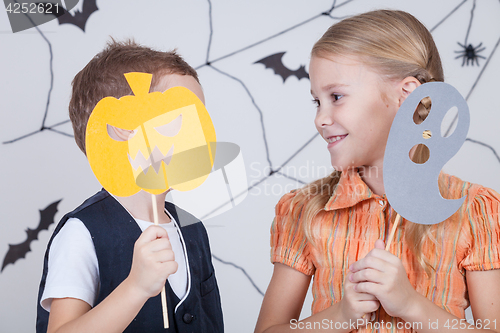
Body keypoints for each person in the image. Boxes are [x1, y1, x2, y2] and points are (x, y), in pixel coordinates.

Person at [255, 10, 500, 333]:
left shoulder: (474, 210)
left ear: (408, 95)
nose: (320, 118)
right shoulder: (304, 210)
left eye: (337, 96)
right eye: (317, 101)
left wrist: (411, 305)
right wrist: (340, 316)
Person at [36, 40, 224, 333]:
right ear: (122, 129)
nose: (201, 134)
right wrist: (136, 287)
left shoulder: (192, 230)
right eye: (180, 119)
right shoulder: (82, 232)